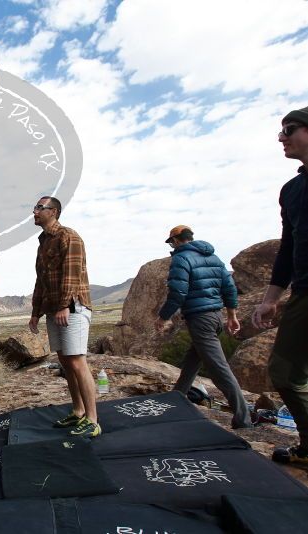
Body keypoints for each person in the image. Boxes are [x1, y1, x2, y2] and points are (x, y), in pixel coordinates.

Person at [252, 106, 308, 465]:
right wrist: (271, 298)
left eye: (289, 129)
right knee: (286, 372)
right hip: (304, 291)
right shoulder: (291, 190)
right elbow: (288, 248)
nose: (281, 137)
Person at [154, 225, 251, 429]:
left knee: (219, 370)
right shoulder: (214, 258)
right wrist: (232, 315)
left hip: (200, 319)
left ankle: (244, 419)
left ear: (177, 240)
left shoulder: (181, 258)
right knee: (191, 362)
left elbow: (178, 292)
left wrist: (163, 317)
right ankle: (175, 400)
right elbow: (230, 288)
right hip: (216, 317)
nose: (172, 245)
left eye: (171, 242)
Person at [28, 196, 100, 437]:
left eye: (40, 207)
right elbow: (41, 281)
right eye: (35, 207)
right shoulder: (43, 242)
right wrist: (35, 313)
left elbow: (72, 274)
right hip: (53, 308)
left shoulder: (68, 236)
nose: (35, 211)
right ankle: (78, 411)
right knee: (65, 361)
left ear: (54, 212)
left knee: (77, 361)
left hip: (72, 307)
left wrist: (64, 306)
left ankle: (93, 420)